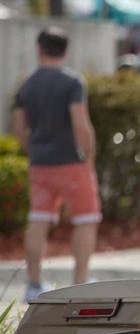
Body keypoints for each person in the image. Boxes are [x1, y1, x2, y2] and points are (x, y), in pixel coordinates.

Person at [11, 27, 101, 301]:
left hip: (39, 163)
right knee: (86, 220)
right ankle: (80, 281)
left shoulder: (26, 84)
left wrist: (33, 152)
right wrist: (89, 159)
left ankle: (34, 283)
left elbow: (18, 128)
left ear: (39, 49)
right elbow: (80, 125)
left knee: (38, 220)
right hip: (71, 162)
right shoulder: (72, 82)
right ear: (66, 51)